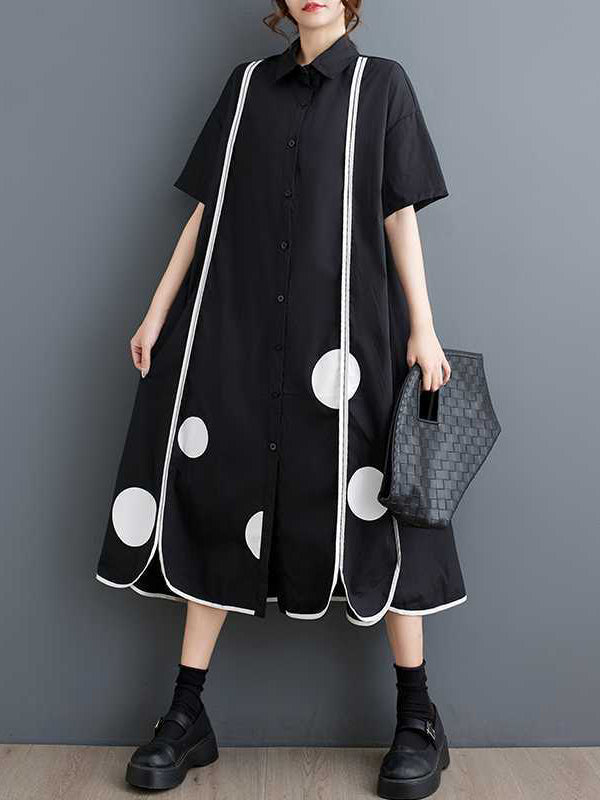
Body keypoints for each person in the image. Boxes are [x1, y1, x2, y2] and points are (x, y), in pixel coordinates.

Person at [95, 1, 467, 797]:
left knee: (382, 509)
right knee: (221, 493)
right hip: (240, 334)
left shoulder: (382, 86)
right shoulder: (246, 88)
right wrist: (157, 312)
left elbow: (398, 213)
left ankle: (418, 717)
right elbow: (208, 210)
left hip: (352, 344)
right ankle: (187, 714)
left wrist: (424, 327)